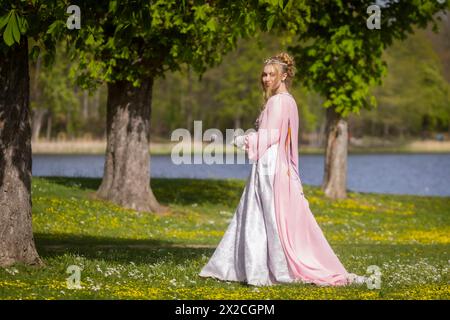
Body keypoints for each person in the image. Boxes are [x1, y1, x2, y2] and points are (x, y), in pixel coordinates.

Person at [199, 52, 366, 287]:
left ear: (284, 76)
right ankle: (255, 264)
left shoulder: (279, 101)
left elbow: (271, 136)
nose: (266, 79)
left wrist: (244, 140)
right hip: (275, 163)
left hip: (271, 164)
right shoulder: (287, 101)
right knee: (264, 213)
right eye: (264, 74)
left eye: (272, 75)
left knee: (265, 214)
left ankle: (263, 267)